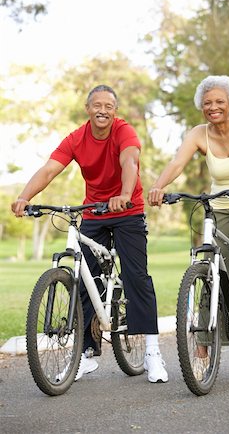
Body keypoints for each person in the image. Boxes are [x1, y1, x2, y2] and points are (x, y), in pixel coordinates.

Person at [11, 84, 168, 384]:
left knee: (136, 277)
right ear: (87, 108)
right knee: (84, 279)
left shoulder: (124, 132)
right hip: (94, 211)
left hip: (127, 210)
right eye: (97, 104)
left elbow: (129, 161)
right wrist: (24, 197)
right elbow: (48, 170)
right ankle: (85, 354)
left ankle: (151, 352)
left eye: (109, 106)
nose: (102, 110)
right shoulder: (76, 138)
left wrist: (123, 193)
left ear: (115, 111)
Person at [148, 75, 229, 377]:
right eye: (207, 103)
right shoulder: (199, 134)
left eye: (219, 101)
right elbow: (178, 163)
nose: (213, 107)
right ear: (201, 107)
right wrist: (158, 186)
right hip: (220, 204)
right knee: (211, 267)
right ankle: (204, 343)